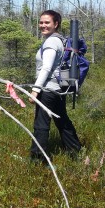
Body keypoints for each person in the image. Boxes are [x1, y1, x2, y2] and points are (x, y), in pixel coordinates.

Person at [28, 10, 81, 162]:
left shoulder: (51, 42)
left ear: (56, 24)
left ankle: (39, 159)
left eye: (47, 22)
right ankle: (75, 152)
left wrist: (35, 90)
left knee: (41, 124)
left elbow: (46, 68)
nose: (43, 25)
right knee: (62, 121)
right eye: (41, 22)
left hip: (47, 90)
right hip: (58, 89)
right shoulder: (59, 40)